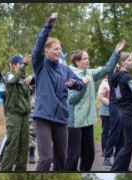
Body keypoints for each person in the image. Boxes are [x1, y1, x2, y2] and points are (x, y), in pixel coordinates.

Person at [31, 12, 87, 171]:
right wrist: (48, 24)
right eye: (55, 49)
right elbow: (38, 45)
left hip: (61, 117)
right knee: (46, 158)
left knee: (62, 158)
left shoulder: (65, 69)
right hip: (43, 116)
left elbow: (81, 83)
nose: (58, 51)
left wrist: (74, 83)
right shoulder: (41, 65)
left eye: (60, 49)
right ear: (46, 51)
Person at [65, 41, 124, 171]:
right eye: (84, 58)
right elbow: (72, 99)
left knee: (89, 156)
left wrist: (116, 52)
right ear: (77, 62)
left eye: (88, 58)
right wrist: (83, 85)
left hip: (88, 122)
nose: (87, 60)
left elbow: (107, 68)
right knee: (73, 157)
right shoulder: (69, 75)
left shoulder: (90, 73)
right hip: (75, 122)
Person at [0, 53, 33, 171]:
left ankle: (20, 170)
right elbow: (14, 79)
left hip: (24, 116)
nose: (22, 66)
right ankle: (5, 170)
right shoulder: (8, 76)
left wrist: (32, 77)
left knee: (24, 146)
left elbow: (29, 94)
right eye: (20, 63)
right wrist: (25, 64)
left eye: (22, 63)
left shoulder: (24, 78)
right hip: (13, 116)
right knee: (12, 145)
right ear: (13, 65)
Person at [109, 47, 132, 171]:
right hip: (128, 113)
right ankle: (115, 168)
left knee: (127, 143)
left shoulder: (116, 77)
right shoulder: (127, 78)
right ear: (123, 63)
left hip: (121, 111)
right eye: (130, 60)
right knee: (128, 144)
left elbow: (121, 95)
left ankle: (124, 168)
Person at [98, 77, 111, 157]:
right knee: (106, 131)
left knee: (113, 131)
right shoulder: (104, 84)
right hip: (105, 112)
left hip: (115, 111)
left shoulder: (116, 81)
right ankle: (104, 149)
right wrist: (109, 102)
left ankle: (110, 149)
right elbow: (100, 97)